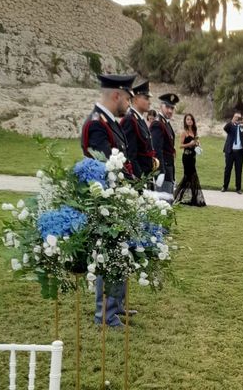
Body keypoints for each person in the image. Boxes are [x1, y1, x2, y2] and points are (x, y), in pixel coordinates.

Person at [80, 73, 136, 328]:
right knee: (109, 257)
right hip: (107, 202)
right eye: (127, 97)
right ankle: (105, 314)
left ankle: (116, 306)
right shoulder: (97, 124)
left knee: (118, 255)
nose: (129, 103)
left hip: (117, 200)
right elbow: (106, 166)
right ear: (117, 95)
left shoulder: (109, 121)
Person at [120, 81, 158, 181]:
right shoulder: (130, 120)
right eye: (146, 98)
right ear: (136, 99)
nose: (149, 102)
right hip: (139, 179)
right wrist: (140, 180)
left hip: (146, 174)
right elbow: (130, 156)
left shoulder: (139, 119)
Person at [174, 113, 206, 206]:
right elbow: (180, 145)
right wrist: (190, 144)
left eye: (191, 119)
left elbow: (197, 143)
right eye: (187, 119)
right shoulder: (184, 132)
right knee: (190, 176)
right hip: (186, 157)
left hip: (193, 157)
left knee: (190, 177)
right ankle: (185, 197)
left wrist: (198, 144)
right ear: (185, 121)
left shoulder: (195, 131)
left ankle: (186, 197)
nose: (189, 121)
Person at [150, 93, 179, 194]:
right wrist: (160, 172)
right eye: (167, 107)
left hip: (168, 169)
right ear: (160, 106)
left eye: (172, 108)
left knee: (168, 203)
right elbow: (157, 149)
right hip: (163, 169)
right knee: (163, 203)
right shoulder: (157, 123)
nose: (170, 110)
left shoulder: (166, 123)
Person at [222, 111, 243, 194]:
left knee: (238, 170)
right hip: (230, 151)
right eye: (236, 117)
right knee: (228, 169)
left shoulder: (242, 126)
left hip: (239, 152)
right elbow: (225, 128)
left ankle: (238, 188)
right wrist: (232, 121)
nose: (237, 119)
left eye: (239, 117)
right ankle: (225, 186)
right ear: (233, 117)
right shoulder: (231, 126)